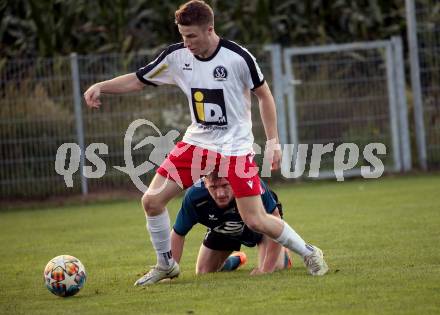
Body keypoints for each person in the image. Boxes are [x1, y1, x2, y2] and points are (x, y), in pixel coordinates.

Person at [84, 0, 328, 286]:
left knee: (255, 220)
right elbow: (139, 80)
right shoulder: (176, 57)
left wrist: (273, 141)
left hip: (234, 148)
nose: (186, 42)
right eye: (182, 35)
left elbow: (265, 96)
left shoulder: (238, 57)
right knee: (151, 201)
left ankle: (310, 253)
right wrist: (101, 86)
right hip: (197, 143)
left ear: (209, 29)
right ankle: (166, 265)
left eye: (191, 36)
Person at [171, 172, 292, 275]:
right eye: (213, 187)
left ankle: (283, 255)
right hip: (224, 228)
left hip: (260, 228)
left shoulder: (251, 183)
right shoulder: (194, 196)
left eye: (225, 185)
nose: (220, 194)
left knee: (274, 267)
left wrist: (266, 269)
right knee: (203, 272)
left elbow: (275, 219)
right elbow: (178, 233)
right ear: (205, 183)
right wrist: (170, 271)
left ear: (234, 179)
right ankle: (234, 260)